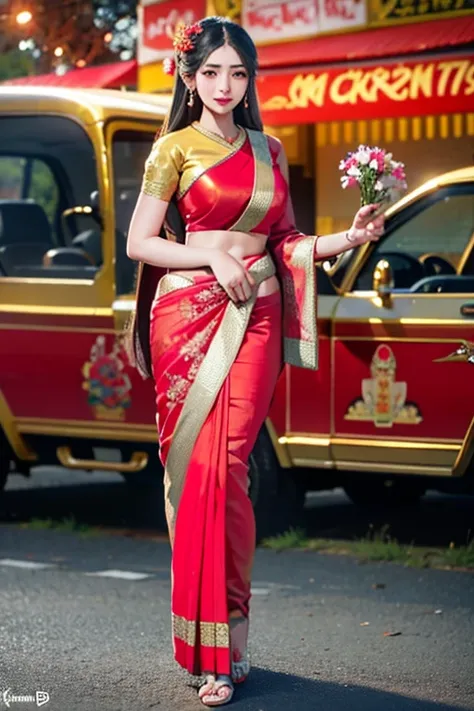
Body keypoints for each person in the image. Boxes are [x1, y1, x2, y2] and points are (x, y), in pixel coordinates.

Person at [126, 16, 384, 707]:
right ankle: (209, 647)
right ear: (188, 77)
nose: (224, 85)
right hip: (187, 317)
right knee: (202, 473)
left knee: (231, 466)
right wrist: (209, 252)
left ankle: (233, 633)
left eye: (238, 73)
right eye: (210, 72)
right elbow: (141, 244)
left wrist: (348, 236)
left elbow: (289, 242)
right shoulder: (172, 151)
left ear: (249, 80)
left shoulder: (269, 150)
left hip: (258, 314)